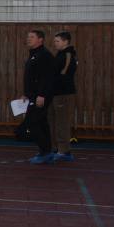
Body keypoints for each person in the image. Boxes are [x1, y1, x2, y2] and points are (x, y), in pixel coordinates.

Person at [21, 29, 57, 165]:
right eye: (28, 36)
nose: (28, 39)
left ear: (40, 39)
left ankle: (45, 152)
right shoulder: (34, 55)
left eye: (32, 37)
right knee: (42, 123)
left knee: (33, 122)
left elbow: (47, 78)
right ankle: (47, 151)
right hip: (33, 96)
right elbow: (31, 78)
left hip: (40, 96)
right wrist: (26, 93)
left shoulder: (44, 55)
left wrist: (42, 95)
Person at [48, 32, 77, 162]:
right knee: (53, 121)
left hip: (63, 93)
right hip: (54, 93)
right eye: (54, 41)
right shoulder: (59, 55)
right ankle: (55, 148)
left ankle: (64, 150)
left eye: (57, 41)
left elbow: (61, 75)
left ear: (66, 42)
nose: (55, 44)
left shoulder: (68, 55)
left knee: (62, 123)